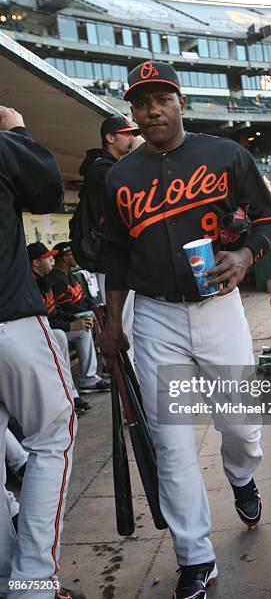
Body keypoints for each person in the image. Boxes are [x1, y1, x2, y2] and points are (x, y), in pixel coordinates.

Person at [98, 61, 271, 599]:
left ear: (180, 102)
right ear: (131, 113)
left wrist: (247, 254)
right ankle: (195, 557)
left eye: (161, 98)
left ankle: (242, 476)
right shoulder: (119, 177)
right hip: (156, 316)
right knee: (171, 444)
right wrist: (113, 323)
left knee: (242, 425)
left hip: (219, 309)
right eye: (140, 102)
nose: (151, 109)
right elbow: (113, 254)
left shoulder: (225, 154)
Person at [0, 105, 83, 599]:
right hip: (9, 318)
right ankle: (31, 583)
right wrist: (16, 132)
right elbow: (48, 190)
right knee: (53, 433)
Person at [78, 116, 143, 364]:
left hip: (118, 258)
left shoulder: (110, 165)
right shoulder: (100, 167)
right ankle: (132, 387)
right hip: (109, 260)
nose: (132, 138)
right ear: (110, 137)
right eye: (127, 134)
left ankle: (136, 384)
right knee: (124, 327)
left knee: (133, 326)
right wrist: (139, 154)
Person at [28, 241, 102, 404]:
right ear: (36, 263)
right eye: (47, 258)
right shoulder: (29, 286)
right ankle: (68, 392)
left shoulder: (44, 280)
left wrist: (74, 320)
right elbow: (39, 321)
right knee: (60, 335)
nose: (52, 261)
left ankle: (88, 378)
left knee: (83, 329)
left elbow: (53, 312)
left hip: (49, 328)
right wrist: (69, 325)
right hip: (35, 334)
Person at [47, 242, 109, 394]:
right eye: (71, 254)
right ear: (64, 258)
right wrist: (89, 313)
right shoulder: (55, 278)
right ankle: (92, 375)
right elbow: (67, 307)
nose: (75, 257)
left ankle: (106, 364)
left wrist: (94, 308)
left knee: (96, 316)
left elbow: (83, 299)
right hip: (68, 319)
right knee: (87, 322)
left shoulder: (71, 276)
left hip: (73, 316)